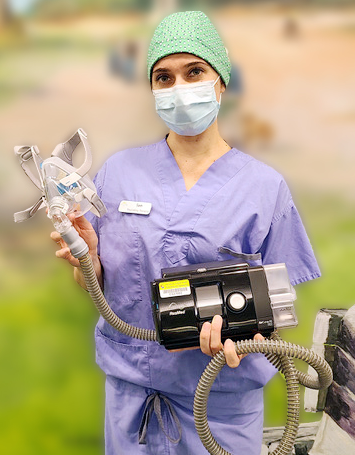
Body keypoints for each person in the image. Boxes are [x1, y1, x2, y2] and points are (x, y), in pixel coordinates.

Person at [51, 11, 321, 455]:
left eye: (194, 71)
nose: (179, 88)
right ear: (153, 88)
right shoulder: (118, 173)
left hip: (220, 408)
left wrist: (246, 340)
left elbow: (275, 312)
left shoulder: (263, 188)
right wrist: (90, 259)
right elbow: (99, 289)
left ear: (221, 82)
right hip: (131, 405)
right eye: (164, 77)